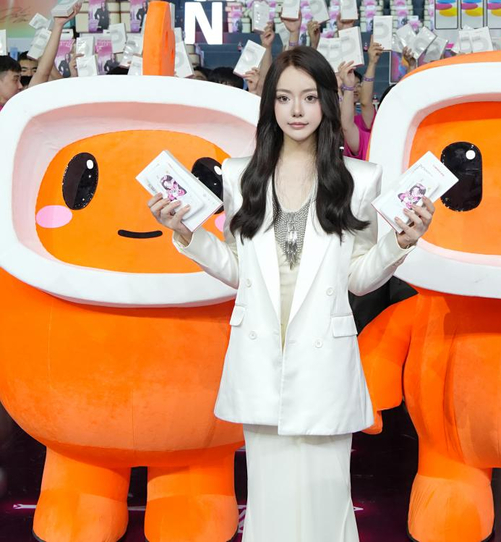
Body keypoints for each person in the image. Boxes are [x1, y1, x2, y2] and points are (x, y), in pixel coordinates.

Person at [148, 46, 434, 542]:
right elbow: (238, 270)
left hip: (325, 362)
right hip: (261, 358)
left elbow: (359, 278)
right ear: (270, 105)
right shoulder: (241, 175)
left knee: (327, 499)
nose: (296, 110)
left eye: (308, 97)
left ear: (326, 101)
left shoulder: (359, 180)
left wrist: (400, 243)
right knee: (270, 499)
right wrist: (189, 236)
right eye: (283, 98)